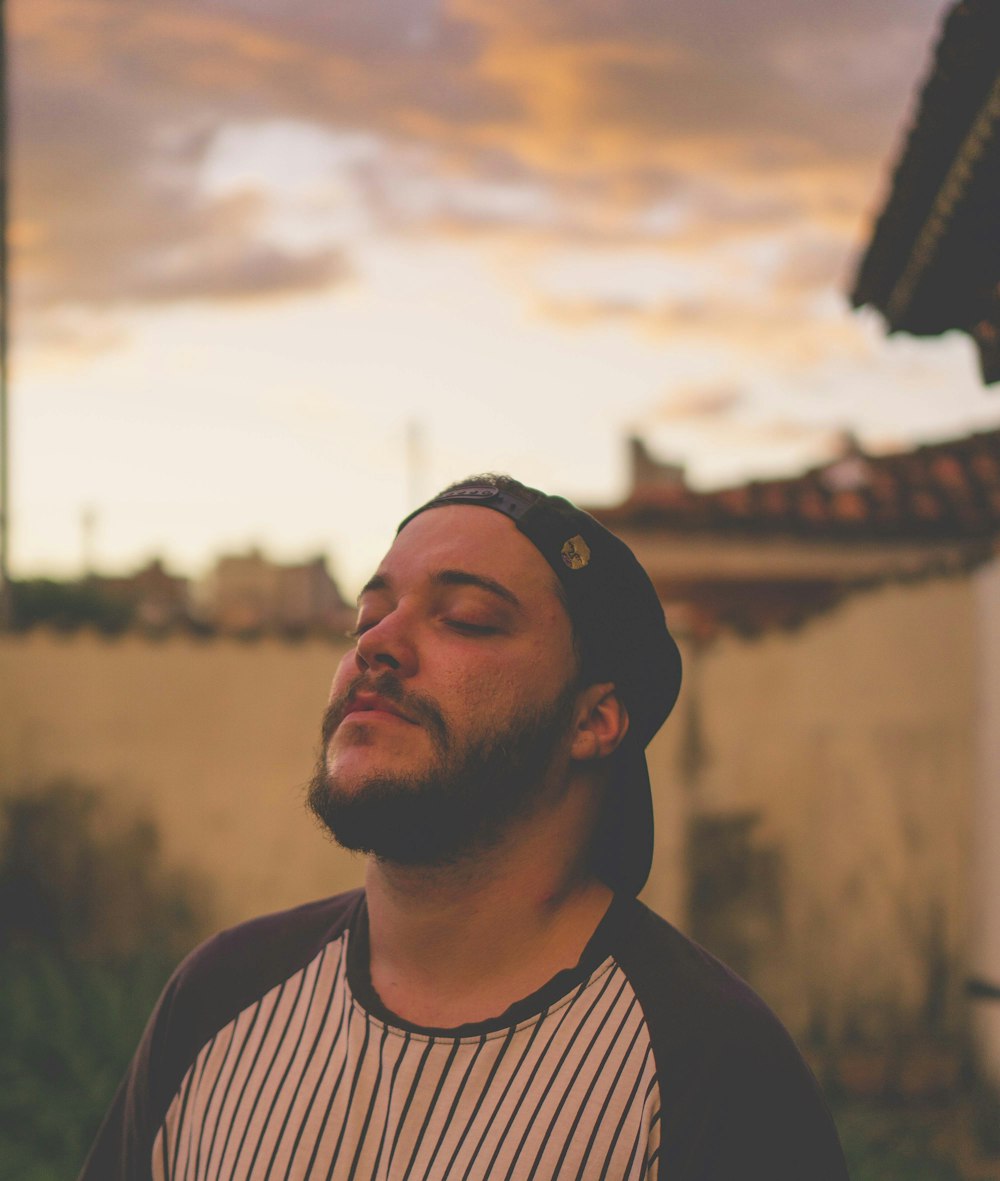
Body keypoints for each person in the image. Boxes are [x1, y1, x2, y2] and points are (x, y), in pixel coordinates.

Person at [79, 474, 848, 1180]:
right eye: (368, 616)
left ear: (593, 719)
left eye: (468, 619)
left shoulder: (710, 1066)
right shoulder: (220, 997)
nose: (375, 644)